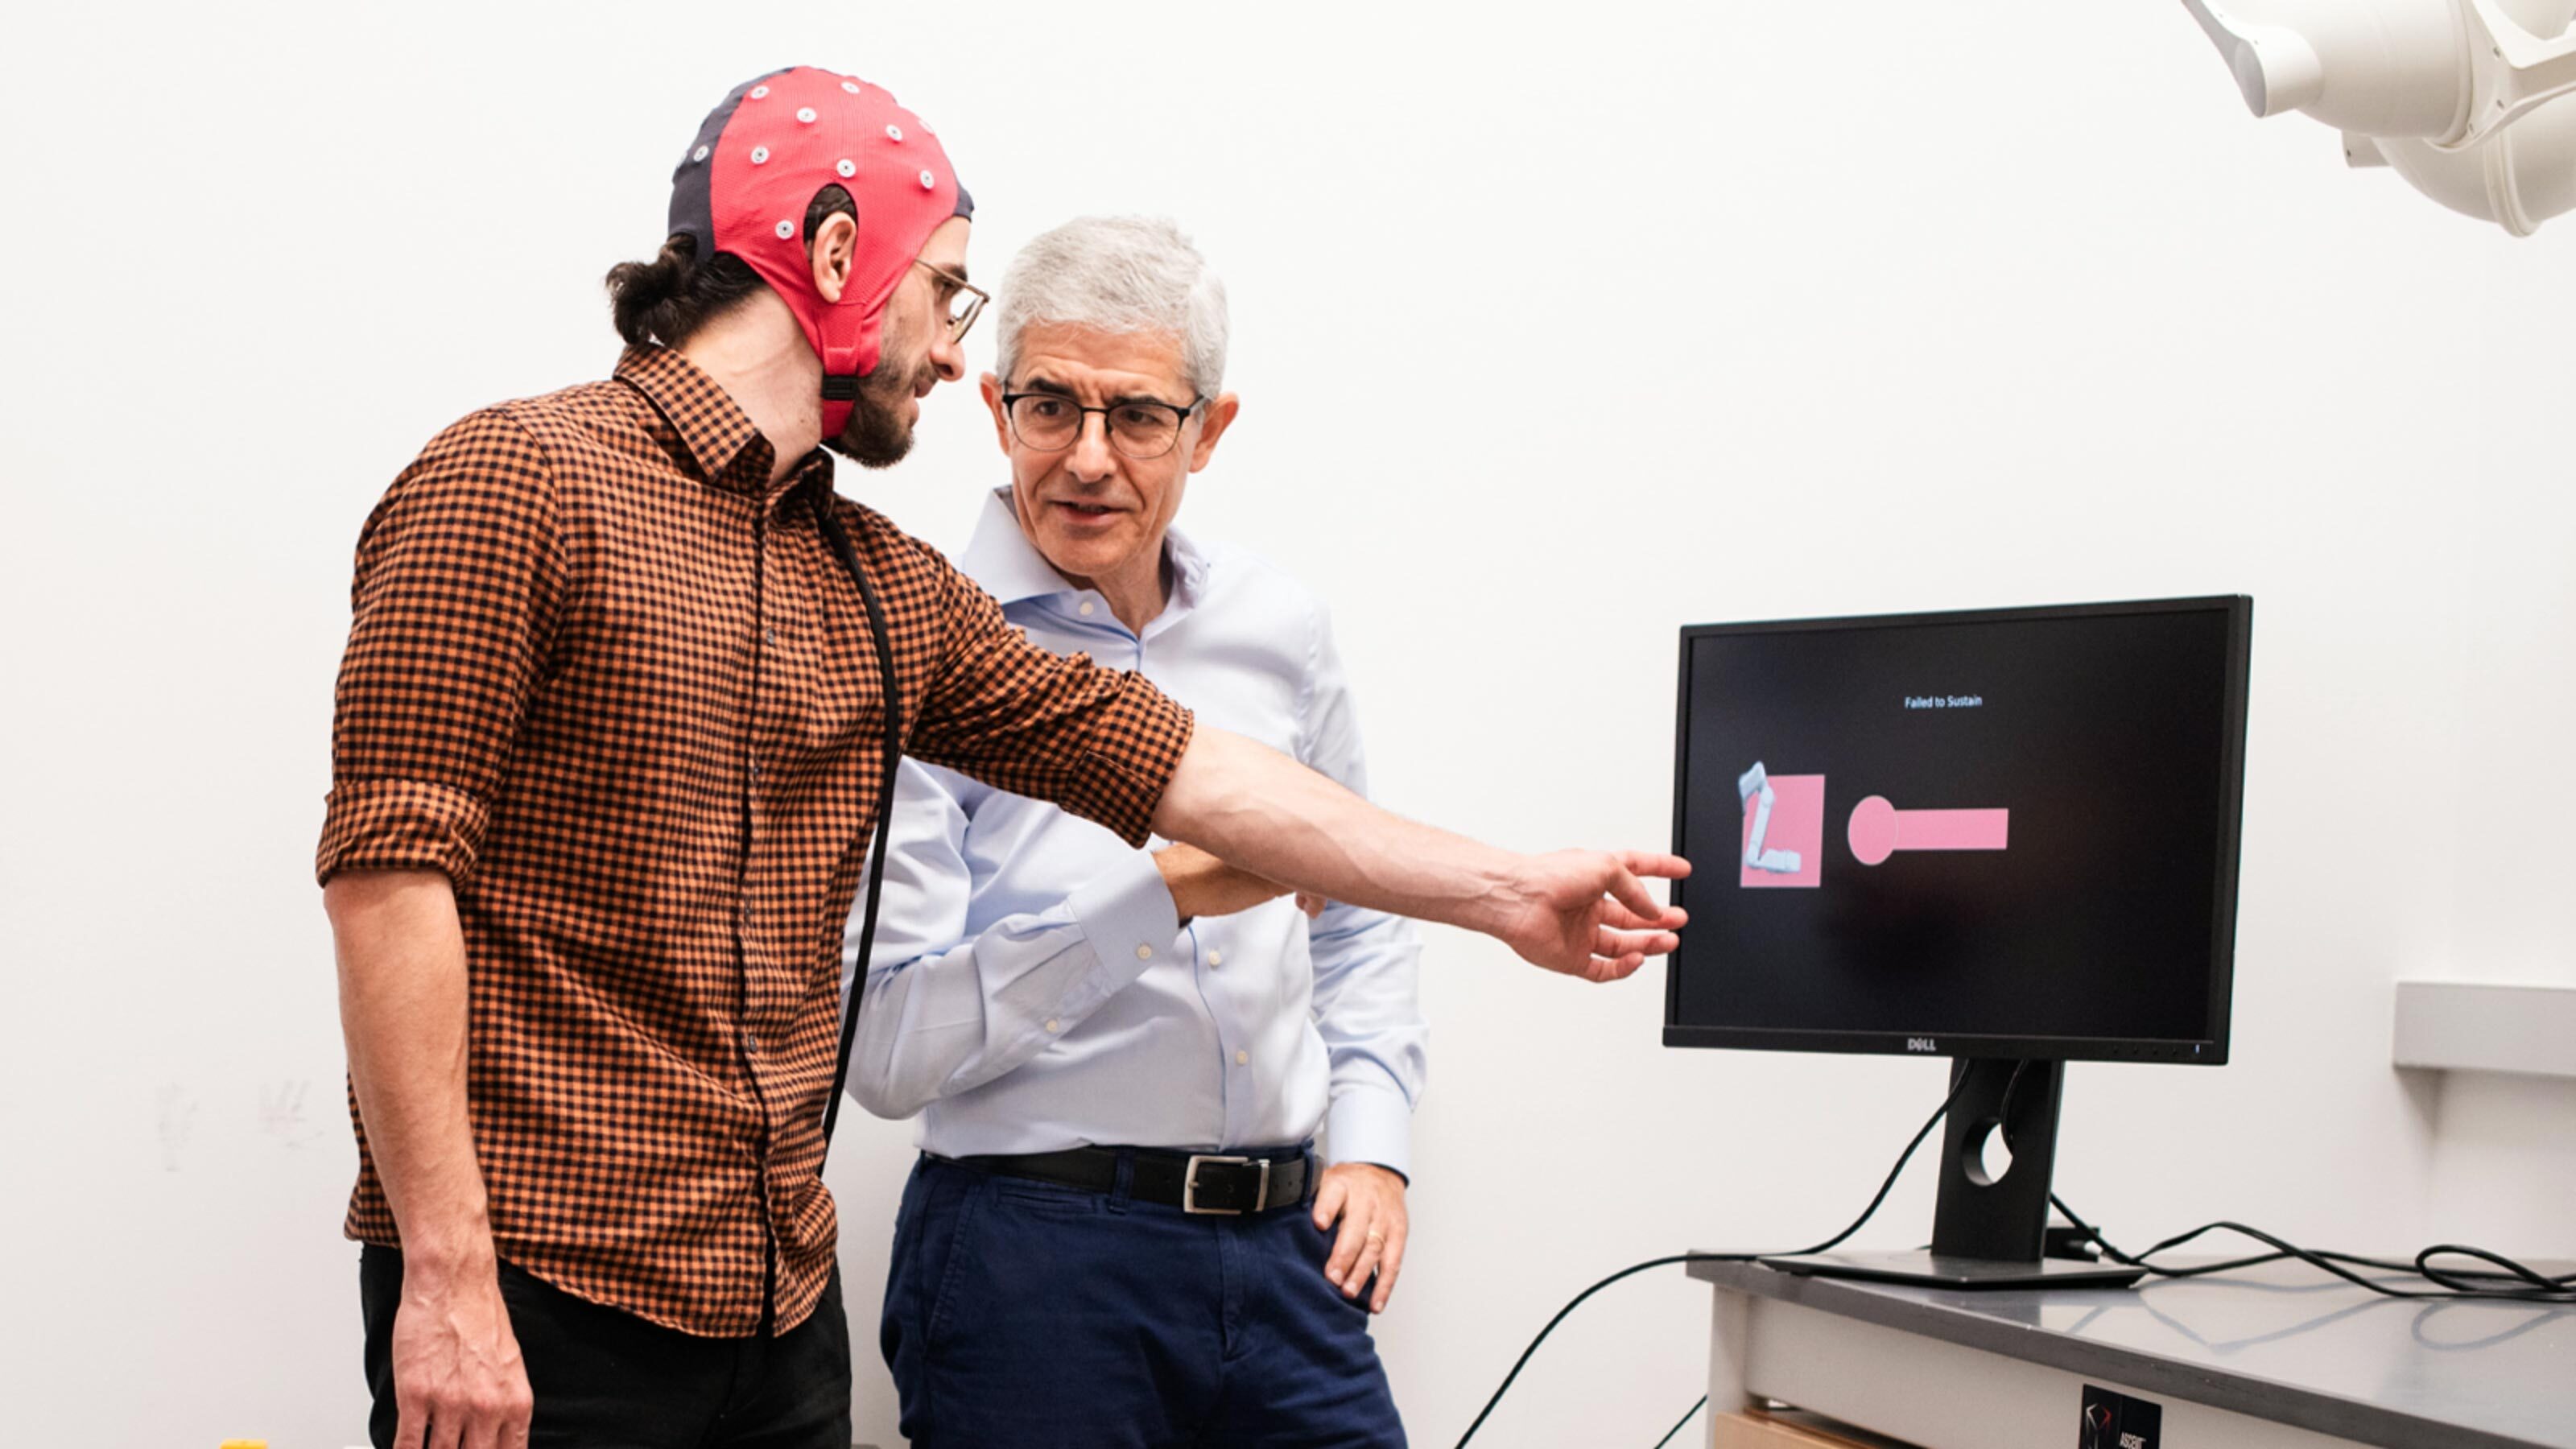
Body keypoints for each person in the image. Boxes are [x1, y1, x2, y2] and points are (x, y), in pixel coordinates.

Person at [320, 67, 1687, 1449]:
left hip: (780, 1317)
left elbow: (1185, 769)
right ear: (840, 255)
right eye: (949, 291)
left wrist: (1505, 891)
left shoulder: (871, 581)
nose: (950, 350)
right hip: (549, 1302)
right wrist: (442, 1273)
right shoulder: (516, 477)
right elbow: (388, 879)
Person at [852, 217, 1424, 1447]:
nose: (1089, 459)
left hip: (1289, 1261)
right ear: (996, 407)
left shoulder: (1280, 628)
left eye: (1140, 417)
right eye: (1051, 406)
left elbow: (1359, 912)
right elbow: (888, 1050)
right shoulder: (919, 648)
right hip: (1034, 1263)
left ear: (1209, 430)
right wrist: (1163, 893)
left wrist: (1375, 1143)